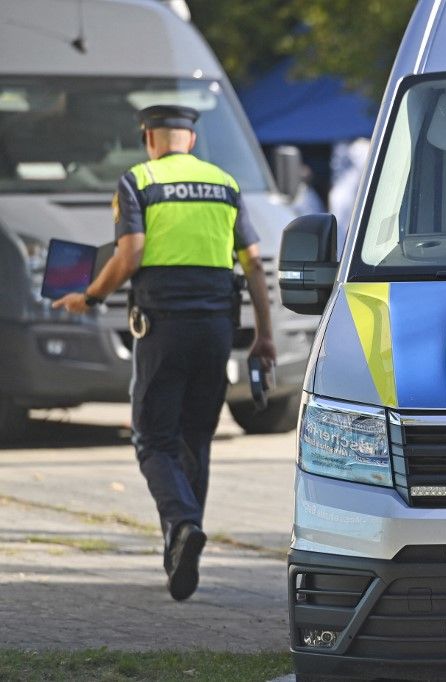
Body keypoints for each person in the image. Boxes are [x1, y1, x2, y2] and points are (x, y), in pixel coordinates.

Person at [52, 104, 276, 601]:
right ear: (191, 141)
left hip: (163, 328)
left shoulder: (139, 181)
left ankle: (181, 525)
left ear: (149, 139)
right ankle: (181, 545)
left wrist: (88, 295)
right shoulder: (226, 184)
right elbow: (255, 265)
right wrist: (265, 336)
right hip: (217, 328)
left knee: (153, 438)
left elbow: (130, 253)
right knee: (196, 437)